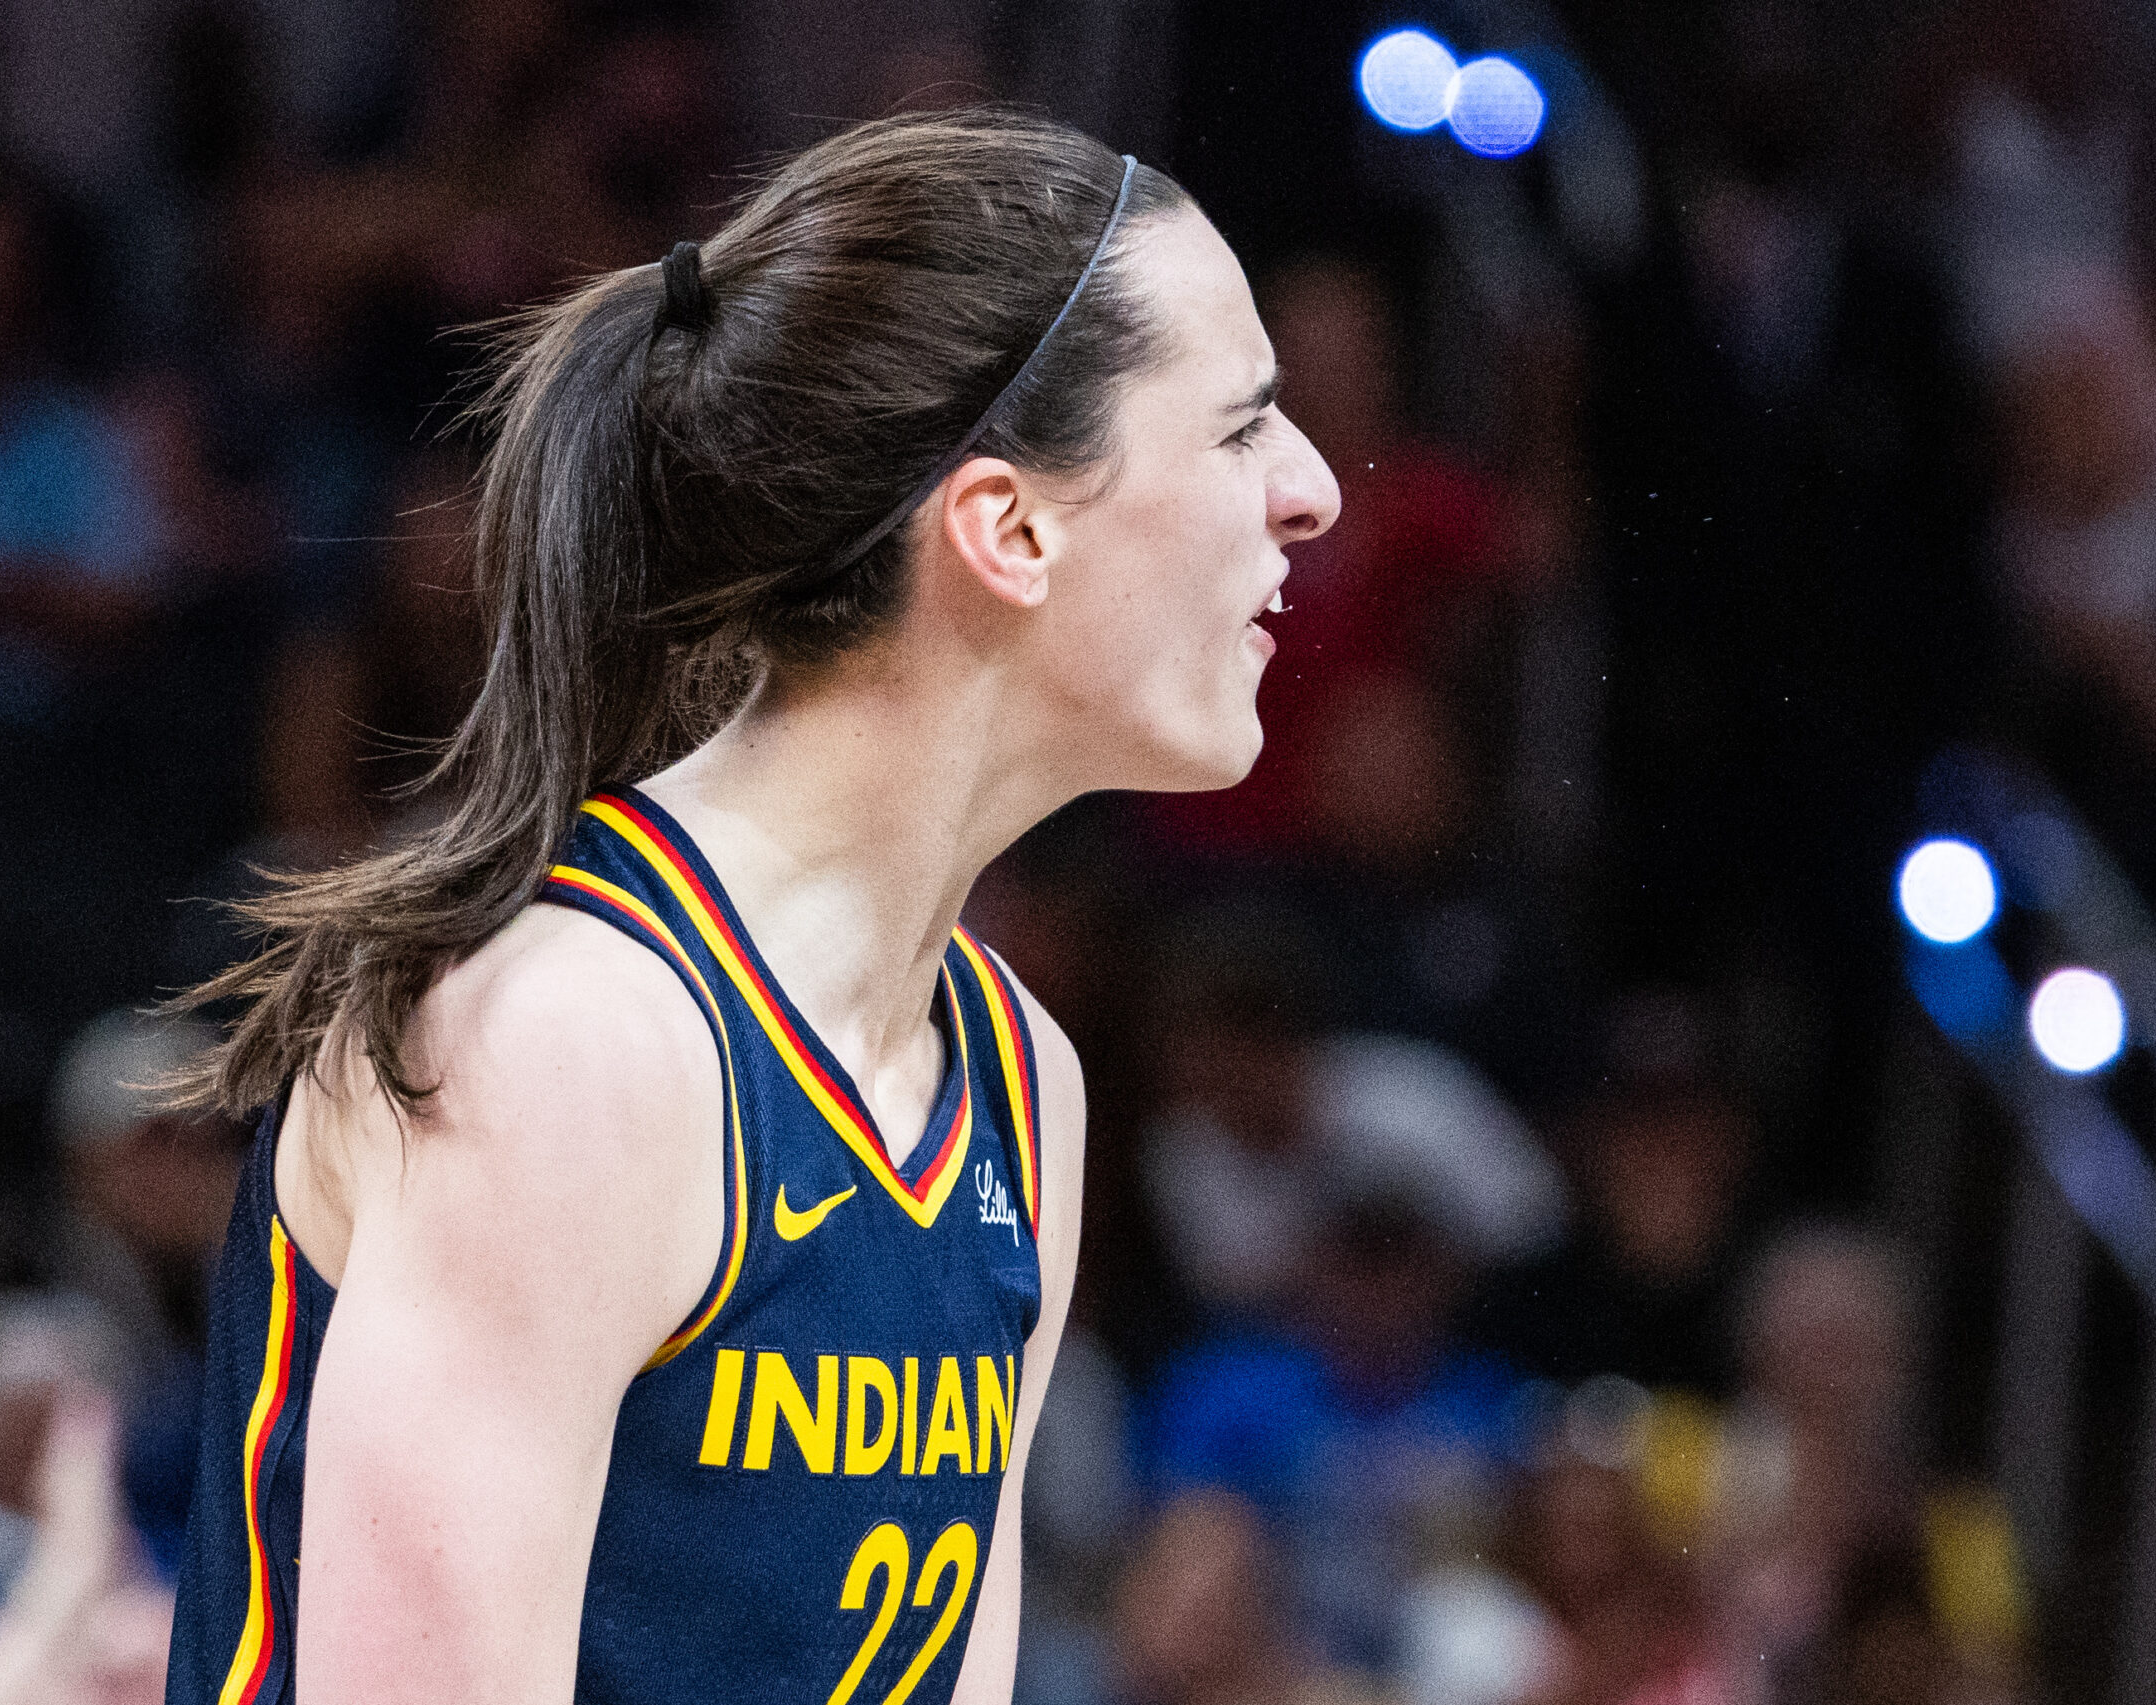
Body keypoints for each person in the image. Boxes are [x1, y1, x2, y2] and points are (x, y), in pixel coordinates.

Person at [162, 109, 1338, 1705]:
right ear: (1008, 526)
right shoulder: (577, 1044)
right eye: (1242, 425)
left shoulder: (1021, 1084)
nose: (1315, 490)